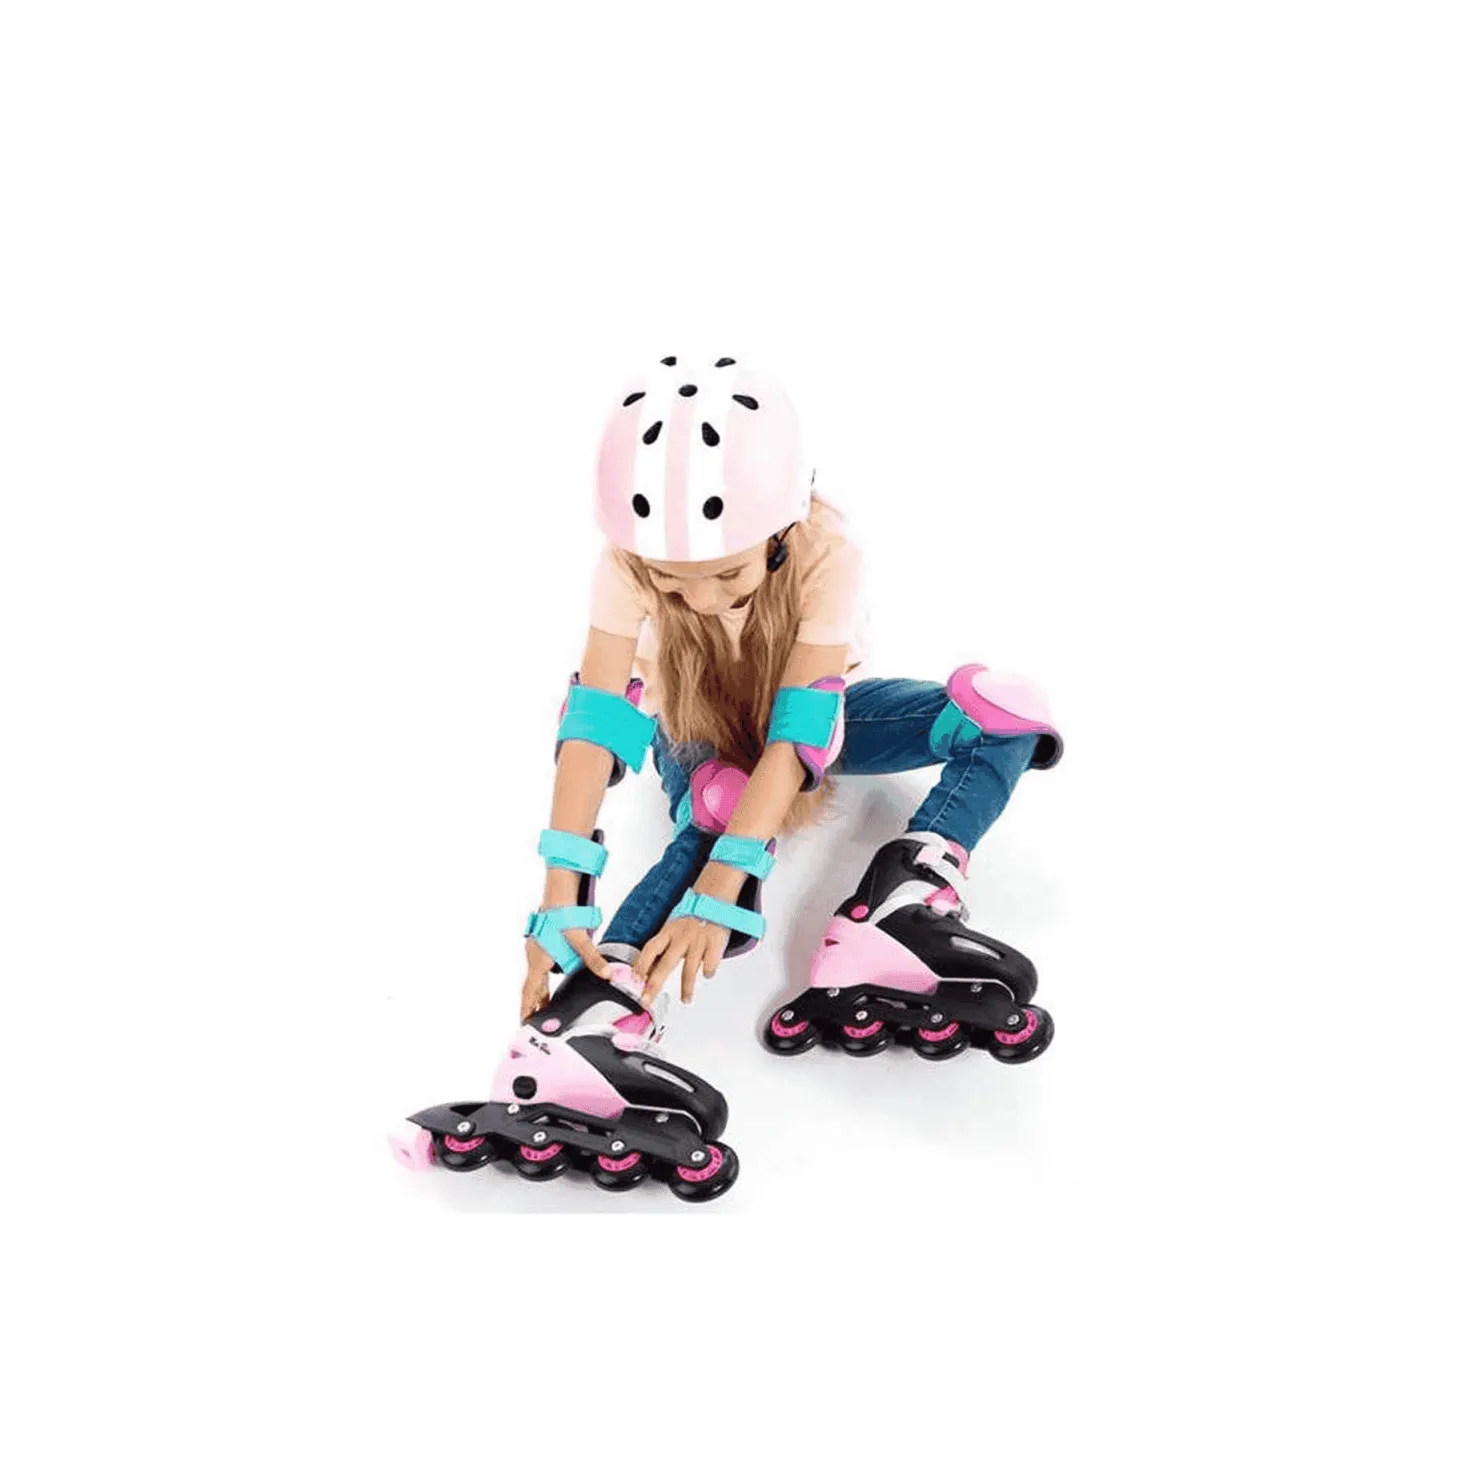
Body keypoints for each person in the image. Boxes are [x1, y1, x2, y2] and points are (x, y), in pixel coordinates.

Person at [521, 356, 1062, 1040]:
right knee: (724, 800)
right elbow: (598, 723)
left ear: (779, 532)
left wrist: (727, 878)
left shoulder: (824, 553)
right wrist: (561, 897)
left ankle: (900, 904)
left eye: (728, 576)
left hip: (801, 720)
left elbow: (801, 731)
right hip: (693, 725)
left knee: (1001, 712)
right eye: (670, 582)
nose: (701, 600)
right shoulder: (622, 566)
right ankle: (599, 1007)